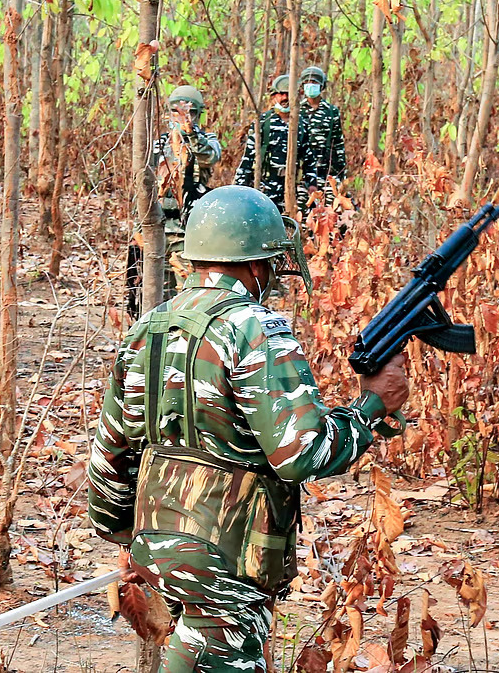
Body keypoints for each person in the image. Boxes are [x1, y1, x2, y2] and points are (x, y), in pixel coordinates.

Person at [88, 186, 410, 672]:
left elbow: (111, 451)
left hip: (158, 545)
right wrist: (369, 408)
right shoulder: (255, 328)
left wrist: (125, 535)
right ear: (258, 266)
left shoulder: (148, 327)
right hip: (227, 556)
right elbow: (303, 453)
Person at [127, 85, 222, 319]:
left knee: (186, 296)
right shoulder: (158, 145)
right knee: (152, 294)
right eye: (177, 113)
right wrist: (139, 228)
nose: (183, 118)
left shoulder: (205, 142)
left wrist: (189, 134)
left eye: (189, 113)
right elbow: (144, 185)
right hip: (157, 229)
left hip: (187, 232)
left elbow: (210, 156)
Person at [234, 75, 314, 214]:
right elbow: (248, 158)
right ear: (273, 97)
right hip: (266, 185)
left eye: (288, 94)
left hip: (293, 188)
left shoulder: (302, 123)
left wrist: (312, 184)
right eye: (281, 94)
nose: (284, 98)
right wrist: (238, 188)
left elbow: (308, 158)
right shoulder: (263, 122)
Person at [299, 65, 346, 207]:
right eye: (307, 83)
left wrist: (341, 174)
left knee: (330, 210)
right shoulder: (297, 111)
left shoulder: (331, 112)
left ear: (321, 86)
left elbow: (338, 144)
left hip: (326, 171)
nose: (310, 86)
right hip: (303, 173)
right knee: (303, 208)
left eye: (314, 83)